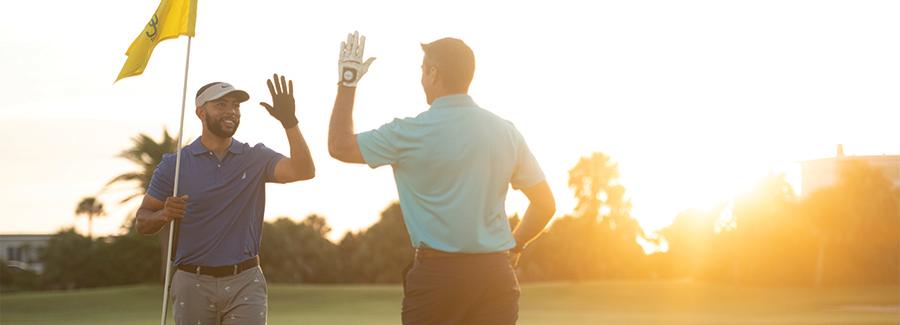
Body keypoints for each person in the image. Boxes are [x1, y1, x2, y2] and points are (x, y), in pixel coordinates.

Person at [328, 31, 557, 325]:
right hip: (495, 276)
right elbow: (545, 204)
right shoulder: (506, 131)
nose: (422, 78)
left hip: (437, 280)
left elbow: (339, 146)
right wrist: (516, 244)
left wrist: (348, 83)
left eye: (423, 70)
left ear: (434, 73)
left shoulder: (409, 133)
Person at [136, 74, 314, 325]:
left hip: (245, 280)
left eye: (236, 105)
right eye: (221, 105)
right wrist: (165, 214)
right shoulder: (174, 166)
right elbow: (142, 221)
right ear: (201, 112)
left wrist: (290, 122)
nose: (231, 111)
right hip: (192, 282)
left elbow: (303, 170)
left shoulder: (255, 157)